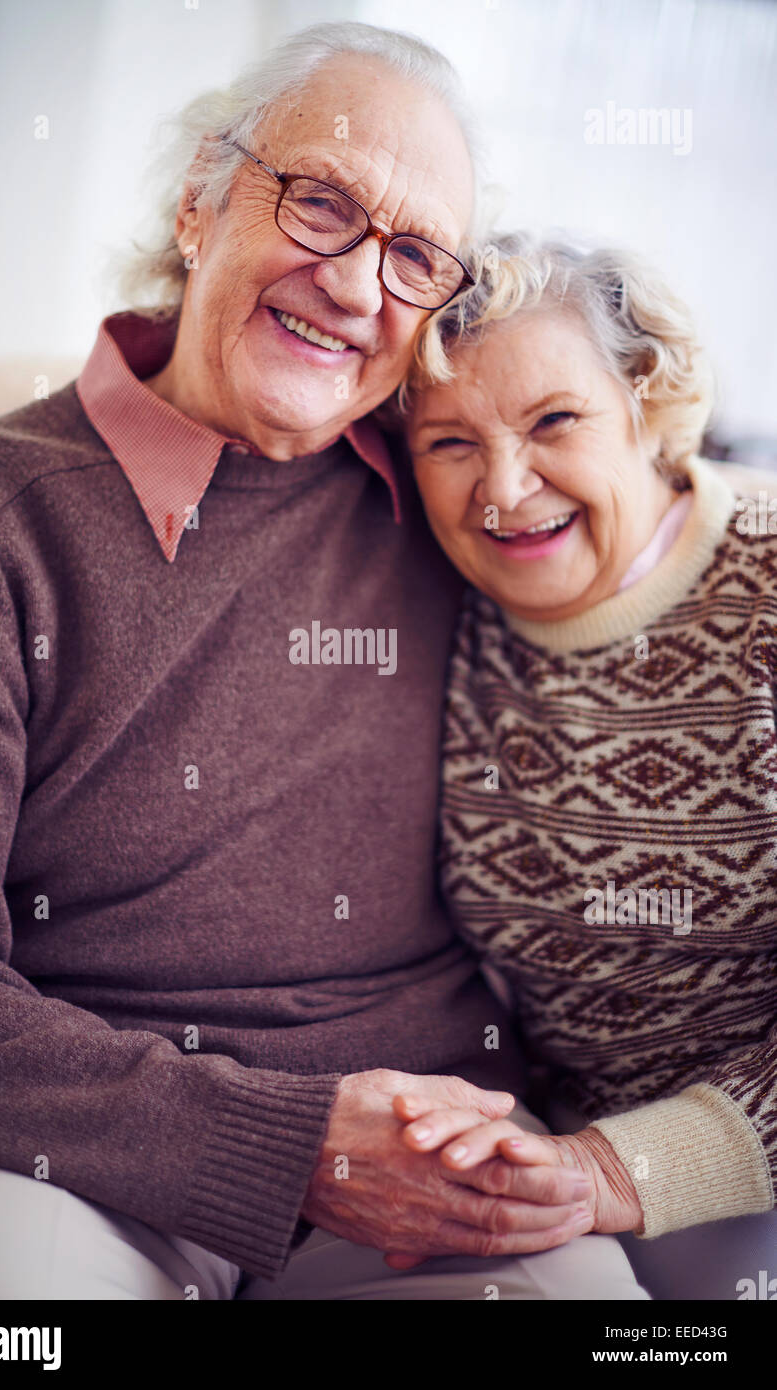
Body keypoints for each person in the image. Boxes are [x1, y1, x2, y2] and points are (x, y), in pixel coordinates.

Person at [0, 25, 646, 1300]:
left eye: (416, 256)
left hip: (434, 1138)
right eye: (323, 205)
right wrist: (277, 1146)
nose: (359, 288)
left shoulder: (457, 492)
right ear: (202, 197)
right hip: (78, 1157)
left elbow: (643, 530)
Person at [400, 231, 776, 1299]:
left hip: (741, 1193)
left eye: (554, 420)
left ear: (649, 406)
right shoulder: (437, 599)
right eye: (449, 443)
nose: (506, 488)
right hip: (538, 1169)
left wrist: (613, 1171)